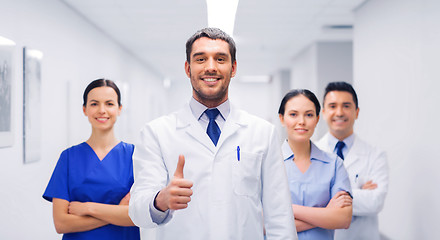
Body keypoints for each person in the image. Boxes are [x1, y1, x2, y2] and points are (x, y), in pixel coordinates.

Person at [129, 28, 297, 240]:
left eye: (220, 59)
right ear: (187, 68)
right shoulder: (156, 133)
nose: (210, 67)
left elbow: (280, 216)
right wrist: (160, 200)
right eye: (201, 59)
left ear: (233, 67)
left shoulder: (262, 133)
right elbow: (137, 211)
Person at [43, 79, 140, 240]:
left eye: (109, 104)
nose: (102, 110)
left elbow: (135, 216)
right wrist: (116, 212)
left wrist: (88, 208)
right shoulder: (68, 157)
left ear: (119, 109)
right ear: (84, 109)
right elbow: (61, 223)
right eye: (94, 104)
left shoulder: (135, 156)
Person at [316, 82, 389, 240]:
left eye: (346, 106)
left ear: (356, 112)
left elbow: (376, 202)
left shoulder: (375, 155)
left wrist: (327, 197)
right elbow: (305, 202)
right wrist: (359, 192)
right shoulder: (310, 152)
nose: (339, 112)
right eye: (333, 106)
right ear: (323, 112)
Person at [278, 89, 353, 240]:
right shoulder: (267, 164)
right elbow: (261, 223)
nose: (301, 121)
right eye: (293, 114)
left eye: (309, 115)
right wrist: (325, 215)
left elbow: (343, 219)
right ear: (281, 118)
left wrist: (286, 209)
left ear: (317, 119)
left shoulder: (334, 165)